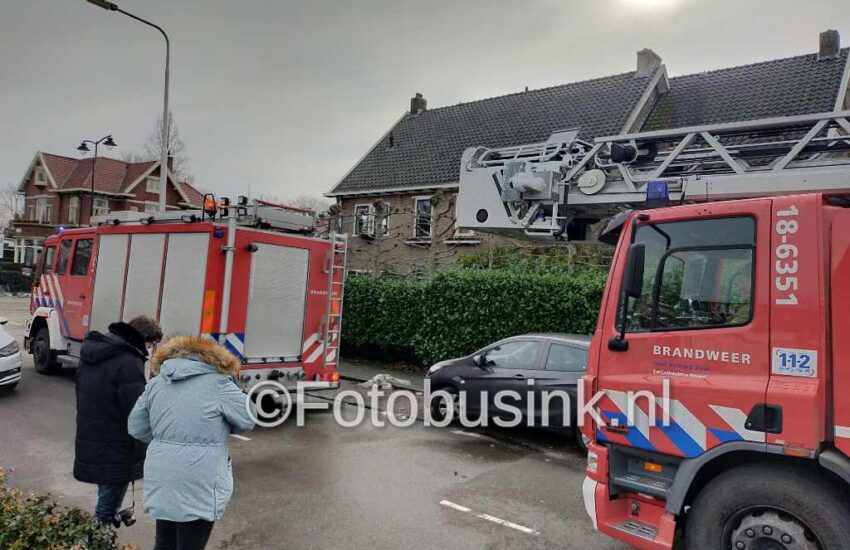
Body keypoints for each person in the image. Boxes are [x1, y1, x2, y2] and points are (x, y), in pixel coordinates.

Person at [128, 336, 254, 550]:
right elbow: (248, 419)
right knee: (192, 543)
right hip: (200, 477)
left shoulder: (157, 383)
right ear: (214, 359)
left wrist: (166, 440)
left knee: (164, 542)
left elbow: (136, 426)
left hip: (162, 474)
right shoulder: (220, 383)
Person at [74, 316, 163, 525]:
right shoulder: (129, 361)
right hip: (117, 446)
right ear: (142, 338)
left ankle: (97, 536)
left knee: (105, 499)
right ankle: (97, 540)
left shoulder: (94, 352)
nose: (150, 349)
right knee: (106, 510)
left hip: (91, 436)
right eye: (151, 343)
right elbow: (136, 411)